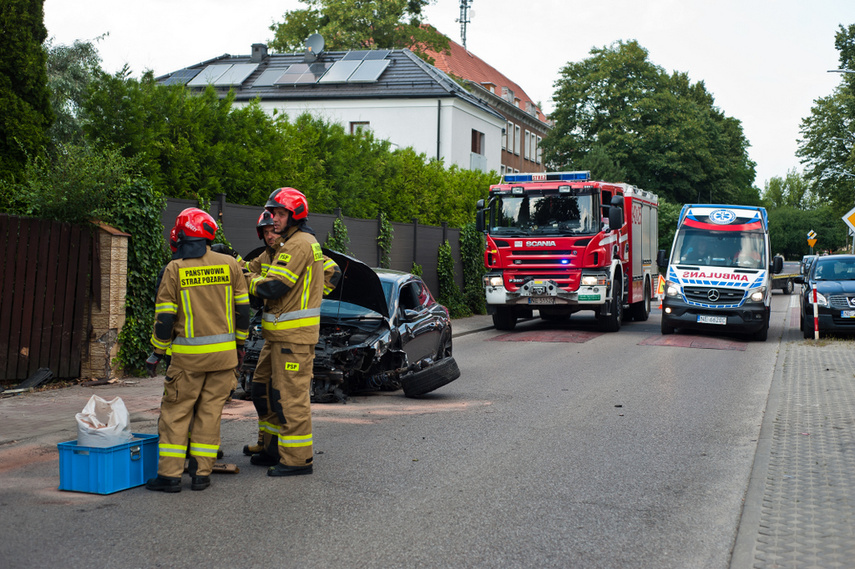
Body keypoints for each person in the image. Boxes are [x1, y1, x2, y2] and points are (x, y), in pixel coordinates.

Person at [145, 207, 250, 492]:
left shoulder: (175, 268)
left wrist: (157, 352)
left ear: (180, 234)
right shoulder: (230, 264)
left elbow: (165, 318)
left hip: (187, 361)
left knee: (176, 414)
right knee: (209, 413)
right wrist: (239, 345)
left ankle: (170, 476)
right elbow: (243, 311)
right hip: (224, 358)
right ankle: (202, 474)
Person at [246, 188, 324, 477]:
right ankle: (271, 447)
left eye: (279, 214)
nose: (274, 220)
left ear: (295, 215)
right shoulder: (291, 243)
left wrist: (246, 280)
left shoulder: (298, 245)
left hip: (294, 339)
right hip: (278, 337)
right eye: (273, 214)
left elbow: (273, 287)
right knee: (263, 389)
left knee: (290, 398)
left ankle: (297, 460)